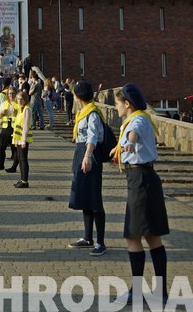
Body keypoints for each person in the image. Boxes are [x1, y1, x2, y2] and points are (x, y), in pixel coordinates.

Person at [111, 83, 170, 306]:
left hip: (141, 180)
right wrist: (119, 149)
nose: (116, 108)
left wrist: (127, 144)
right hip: (141, 179)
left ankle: (141, 292)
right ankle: (160, 291)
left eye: (117, 104)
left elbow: (133, 135)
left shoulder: (137, 120)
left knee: (134, 235)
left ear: (127, 104)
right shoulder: (140, 118)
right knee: (150, 236)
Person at [67, 81, 108, 257]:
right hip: (81, 151)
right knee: (84, 197)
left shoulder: (92, 114)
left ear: (78, 96)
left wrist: (87, 156)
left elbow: (93, 136)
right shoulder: (83, 112)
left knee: (94, 198)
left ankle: (100, 242)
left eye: (74, 94)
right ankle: (87, 237)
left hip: (89, 154)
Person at [10, 90, 32, 187]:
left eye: (21, 99)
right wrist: (15, 140)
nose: (19, 101)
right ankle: (22, 179)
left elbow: (26, 125)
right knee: (19, 158)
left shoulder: (27, 109)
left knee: (23, 159)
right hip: (18, 138)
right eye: (18, 99)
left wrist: (23, 140)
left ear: (25, 99)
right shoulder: (20, 109)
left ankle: (25, 181)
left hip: (23, 139)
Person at [0, 87, 17, 170]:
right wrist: (2, 113)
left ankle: (14, 167)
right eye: (10, 93)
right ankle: (1, 164)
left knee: (15, 148)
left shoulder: (19, 103)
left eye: (13, 93)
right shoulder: (5, 103)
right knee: (0, 147)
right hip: (5, 127)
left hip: (15, 128)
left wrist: (16, 113)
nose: (11, 95)